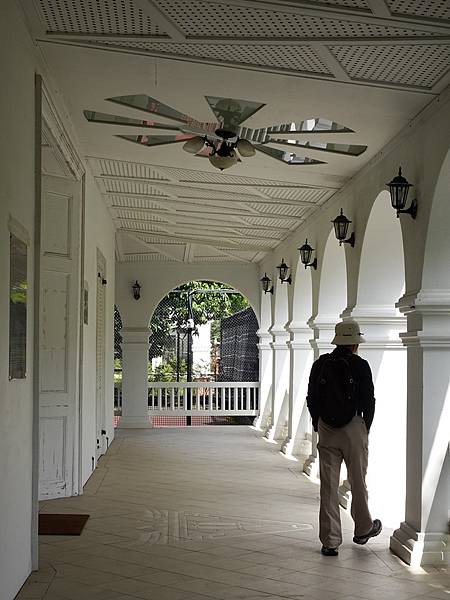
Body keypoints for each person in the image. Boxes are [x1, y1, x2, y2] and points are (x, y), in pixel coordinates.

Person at [306, 320, 382, 556]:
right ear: (355, 344)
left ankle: (330, 541)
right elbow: (369, 401)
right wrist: (363, 427)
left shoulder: (320, 365)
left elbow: (312, 397)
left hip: (327, 428)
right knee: (358, 480)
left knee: (328, 486)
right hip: (353, 428)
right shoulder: (360, 366)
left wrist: (319, 422)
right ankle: (362, 529)